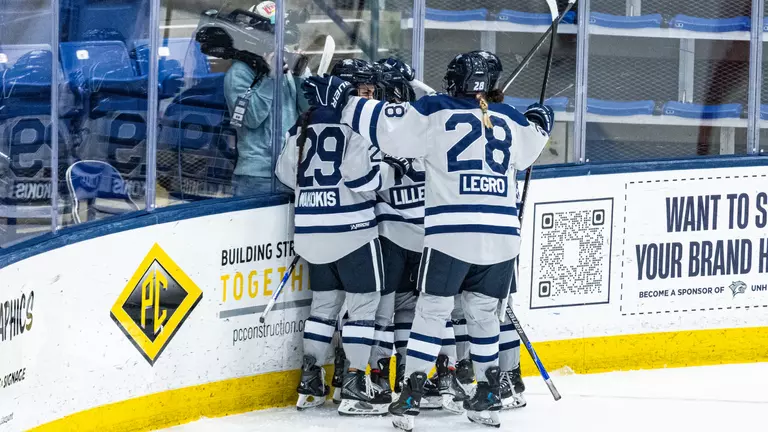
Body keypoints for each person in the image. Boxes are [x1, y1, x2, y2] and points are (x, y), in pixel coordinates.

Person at [301, 52, 553, 430]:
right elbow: (533, 145)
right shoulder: (511, 119)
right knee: (484, 316)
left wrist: (345, 101)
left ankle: (413, 392)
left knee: (432, 312)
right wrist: (539, 121)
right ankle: (486, 396)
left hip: (451, 234)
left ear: (455, 81)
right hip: (502, 238)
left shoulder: (434, 110)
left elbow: (385, 128)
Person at [275, 58, 410, 416]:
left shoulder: (302, 125)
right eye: (363, 88)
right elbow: (364, 177)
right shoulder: (362, 126)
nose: (369, 94)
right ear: (347, 90)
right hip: (353, 232)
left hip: (310, 232)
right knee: (363, 311)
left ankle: (311, 383)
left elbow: (286, 174)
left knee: (323, 310)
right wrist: (393, 172)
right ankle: (353, 385)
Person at [222, 1, 310, 196]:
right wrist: (271, 78)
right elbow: (250, 119)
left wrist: (299, 75)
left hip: (291, 171)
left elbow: (308, 110)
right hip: (257, 177)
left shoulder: (289, 66)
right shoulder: (239, 73)